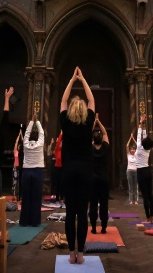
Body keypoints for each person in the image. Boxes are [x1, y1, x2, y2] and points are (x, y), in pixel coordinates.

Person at [60, 67, 96, 265]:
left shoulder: (65, 122)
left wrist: (72, 80)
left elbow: (64, 101)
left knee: (69, 213)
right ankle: (81, 254)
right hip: (85, 171)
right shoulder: (89, 122)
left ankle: (71, 253)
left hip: (68, 170)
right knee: (82, 213)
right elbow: (91, 100)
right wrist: (82, 80)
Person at [20, 109, 45, 226]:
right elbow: (42, 133)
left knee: (26, 197)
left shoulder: (25, 144)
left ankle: (24, 221)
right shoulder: (40, 144)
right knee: (36, 197)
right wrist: (37, 121)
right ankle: (35, 222)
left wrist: (31, 121)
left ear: (30, 138)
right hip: (38, 171)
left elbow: (26, 133)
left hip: (26, 171)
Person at [89, 113, 110, 234]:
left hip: (92, 180)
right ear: (101, 140)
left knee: (92, 203)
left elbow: (87, 133)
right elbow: (106, 133)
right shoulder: (105, 148)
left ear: (92, 140)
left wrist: (93, 123)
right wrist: (98, 121)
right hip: (104, 180)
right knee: (104, 203)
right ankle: (103, 227)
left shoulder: (89, 148)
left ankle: (93, 227)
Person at [135, 113, 153, 223]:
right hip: (148, 170)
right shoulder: (147, 149)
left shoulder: (139, 147)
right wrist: (144, 124)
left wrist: (140, 122)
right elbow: (144, 136)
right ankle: (151, 216)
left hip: (141, 172)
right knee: (150, 194)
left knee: (145, 196)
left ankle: (148, 218)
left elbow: (139, 134)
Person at [126, 133, 138, 205]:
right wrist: (130, 138)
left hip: (136, 171)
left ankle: (135, 200)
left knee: (135, 186)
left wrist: (133, 138)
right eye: (131, 149)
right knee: (130, 186)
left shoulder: (136, 155)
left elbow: (138, 146)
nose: (132, 150)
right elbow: (127, 146)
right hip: (129, 171)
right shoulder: (128, 155)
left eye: (133, 149)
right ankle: (131, 200)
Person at [12, 128, 22, 200]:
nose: (18, 147)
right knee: (14, 182)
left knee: (20, 182)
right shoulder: (16, 152)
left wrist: (22, 136)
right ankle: (14, 195)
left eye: (19, 146)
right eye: (18, 146)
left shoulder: (22, 153)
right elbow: (16, 143)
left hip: (20, 167)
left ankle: (20, 196)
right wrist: (18, 135)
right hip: (15, 167)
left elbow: (24, 142)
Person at [53, 132, 63, 203]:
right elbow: (58, 141)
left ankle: (62, 198)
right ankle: (57, 198)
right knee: (57, 184)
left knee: (62, 183)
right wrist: (61, 133)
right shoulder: (57, 150)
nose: (61, 144)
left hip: (63, 168)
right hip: (57, 168)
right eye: (60, 143)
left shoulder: (64, 151)